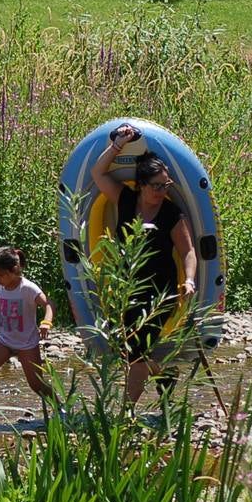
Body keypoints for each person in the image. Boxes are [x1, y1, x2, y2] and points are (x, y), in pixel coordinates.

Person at [90, 124, 198, 405]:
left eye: (166, 185)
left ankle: (126, 414)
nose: (162, 191)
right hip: (128, 287)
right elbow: (97, 173)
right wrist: (118, 145)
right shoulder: (125, 200)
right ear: (141, 185)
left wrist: (189, 279)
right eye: (157, 186)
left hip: (159, 292)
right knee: (130, 350)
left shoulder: (170, 213)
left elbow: (188, 252)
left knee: (136, 350)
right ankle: (162, 374)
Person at [0, 246, 55, 409]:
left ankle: (62, 411)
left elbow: (49, 304)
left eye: (1, 274)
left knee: (37, 385)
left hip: (27, 344)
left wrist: (46, 322)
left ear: (14, 270)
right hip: (5, 342)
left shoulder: (28, 289)